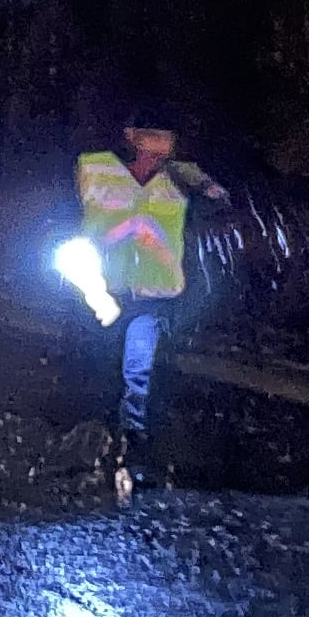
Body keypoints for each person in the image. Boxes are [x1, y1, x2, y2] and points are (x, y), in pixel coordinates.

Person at [79, 115, 229, 488]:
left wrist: (201, 184)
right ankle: (97, 441)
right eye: (153, 134)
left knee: (139, 371)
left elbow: (220, 204)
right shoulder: (98, 167)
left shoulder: (181, 178)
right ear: (131, 136)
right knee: (101, 367)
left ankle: (134, 445)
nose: (162, 143)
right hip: (103, 290)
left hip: (154, 296)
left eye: (167, 135)